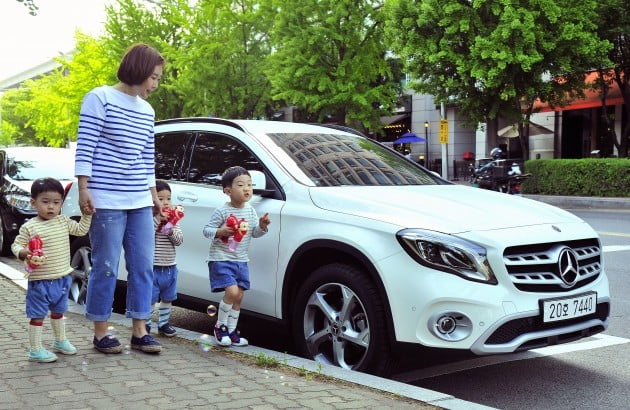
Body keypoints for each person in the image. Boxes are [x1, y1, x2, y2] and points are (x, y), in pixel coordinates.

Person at [75, 43, 165, 354]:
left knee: (142, 265)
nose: (155, 84)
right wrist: (83, 188)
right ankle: (101, 332)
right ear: (139, 70)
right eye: (153, 77)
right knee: (106, 266)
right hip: (105, 199)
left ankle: (140, 330)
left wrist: (154, 195)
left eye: (158, 78)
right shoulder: (99, 97)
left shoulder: (147, 110)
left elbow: (146, 156)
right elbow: (85, 147)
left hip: (139, 198)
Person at [11, 178, 92, 362]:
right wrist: (25, 253)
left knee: (59, 311)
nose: (51, 207)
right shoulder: (30, 226)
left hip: (62, 278)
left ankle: (60, 341)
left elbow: (80, 230)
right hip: (40, 281)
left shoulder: (63, 221)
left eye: (56, 203)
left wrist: (87, 215)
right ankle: (35, 349)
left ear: (61, 203)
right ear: (33, 202)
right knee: (38, 315)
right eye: (45, 202)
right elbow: (16, 245)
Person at [202, 166, 271, 347]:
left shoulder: (250, 211)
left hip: (241, 260)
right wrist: (220, 231)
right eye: (241, 185)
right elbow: (206, 230)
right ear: (228, 191)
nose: (247, 188)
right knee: (231, 292)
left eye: (249, 184)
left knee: (239, 296)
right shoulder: (222, 211)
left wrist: (262, 226)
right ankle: (220, 327)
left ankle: (232, 331)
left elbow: (254, 233)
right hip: (221, 259)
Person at [147, 180, 183, 337]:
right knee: (150, 298)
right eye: (160, 199)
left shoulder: (173, 220)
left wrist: (169, 228)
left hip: (170, 267)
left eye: (168, 198)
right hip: (153, 267)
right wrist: (158, 221)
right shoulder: (148, 217)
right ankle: (146, 324)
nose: (166, 202)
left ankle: (164, 324)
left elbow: (179, 240)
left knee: (168, 298)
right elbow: (146, 235)